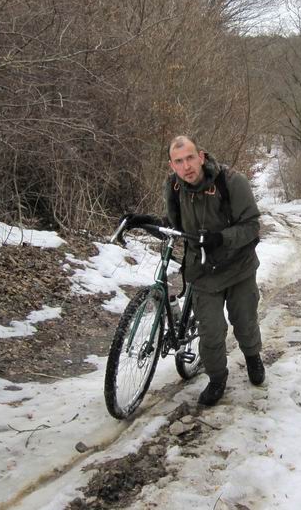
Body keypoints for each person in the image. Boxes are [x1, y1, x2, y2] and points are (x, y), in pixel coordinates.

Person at [120, 135, 264, 406]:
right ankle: (217, 378)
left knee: (244, 321)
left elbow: (252, 225)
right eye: (178, 161)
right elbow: (176, 224)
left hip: (238, 266)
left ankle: (252, 356)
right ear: (171, 165)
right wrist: (145, 221)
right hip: (203, 270)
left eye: (189, 158)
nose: (186, 166)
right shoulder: (174, 187)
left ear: (201, 156)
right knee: (211, 331)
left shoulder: (231, 182)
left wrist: (221, 238)